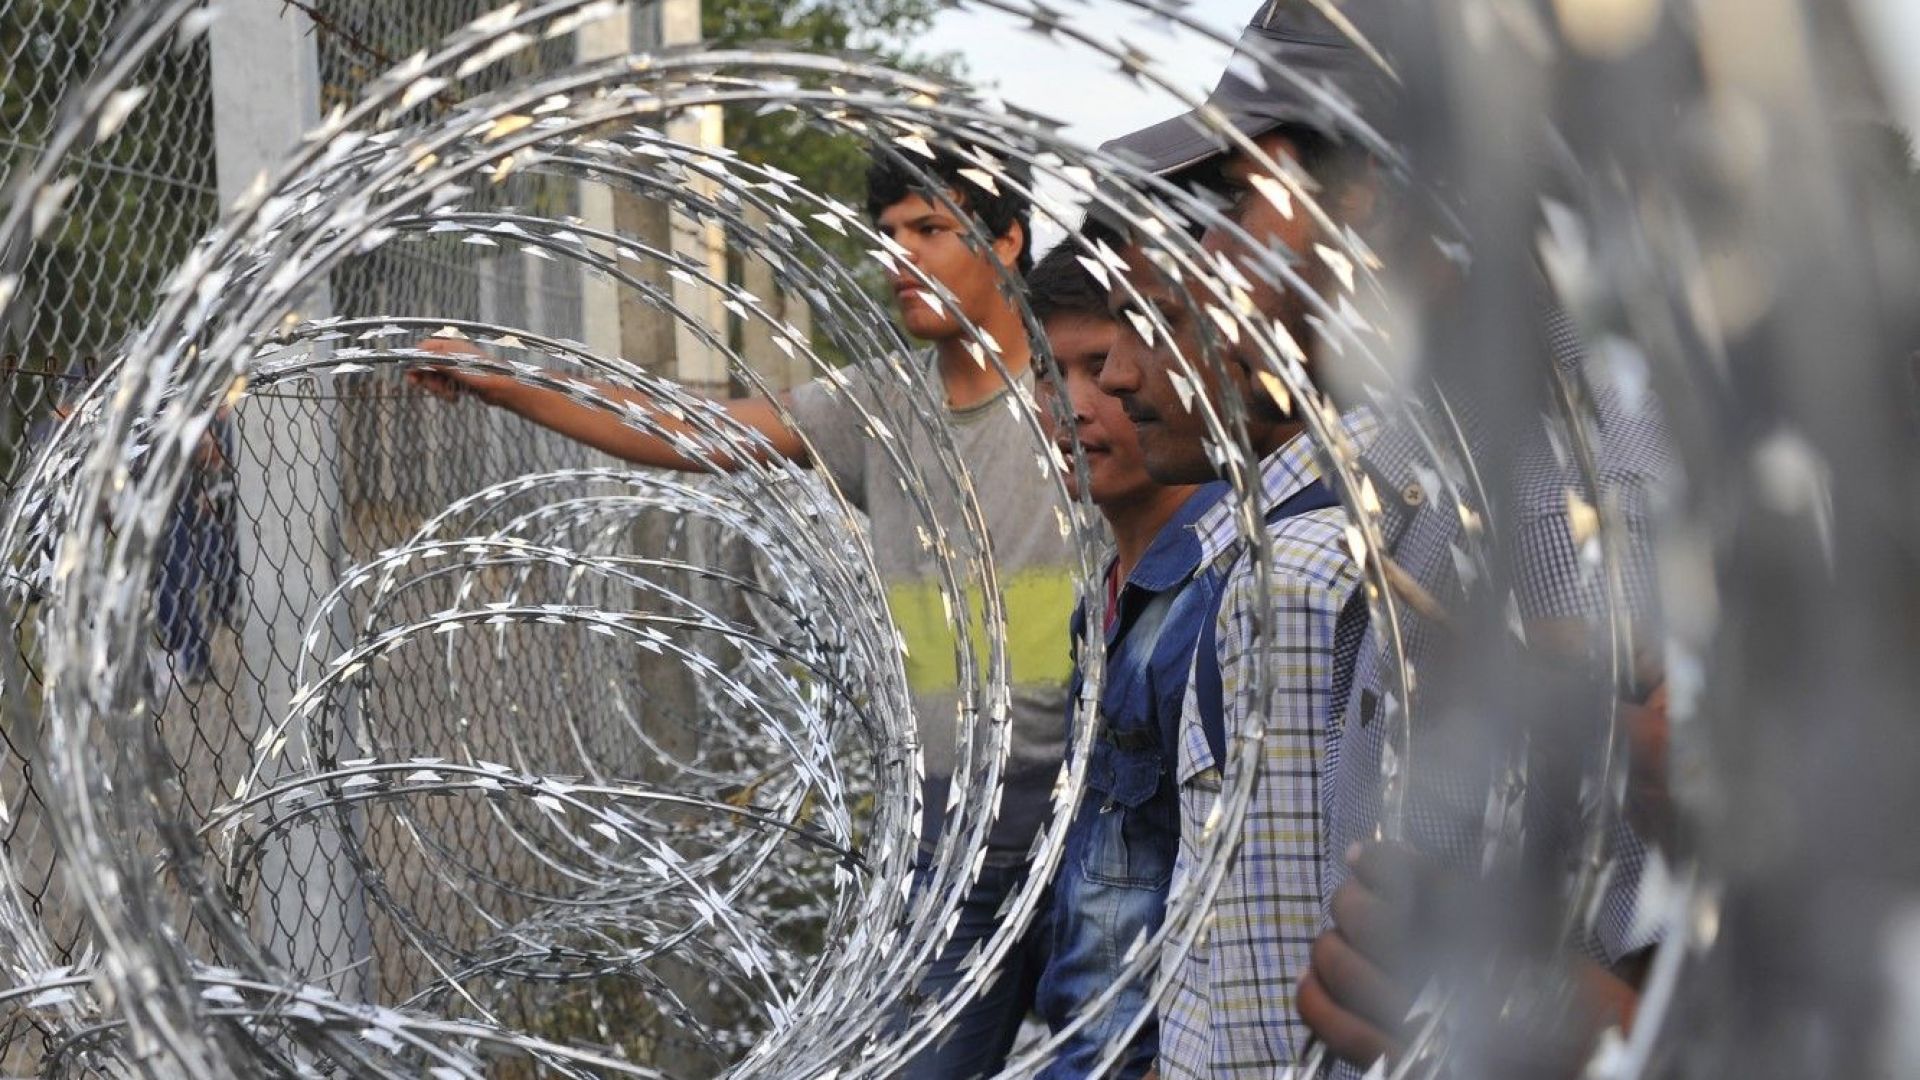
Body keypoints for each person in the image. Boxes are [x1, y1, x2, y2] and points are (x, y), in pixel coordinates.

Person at [411, 140, 1077, 1078]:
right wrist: (506, 378)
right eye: (888, 234)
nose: (901, 256)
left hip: (1095, 806)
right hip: (952, 820)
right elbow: (695, 431)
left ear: (1007, 239)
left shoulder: (1082, 396)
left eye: (931, 229)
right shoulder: (883, 404)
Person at [1085, 6, 1397, 1066]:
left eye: (1161, 315)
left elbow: (1267, 1007)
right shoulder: (1292, 545)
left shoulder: (1307, 571)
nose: (1120, 382)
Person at [1024, 240, 1223, 1079]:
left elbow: (1227, 891)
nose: (1074, 404)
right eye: (1046, 371)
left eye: (1098, 365)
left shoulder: (1217, 596)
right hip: (1083, 1040)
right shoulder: (1106, 598)